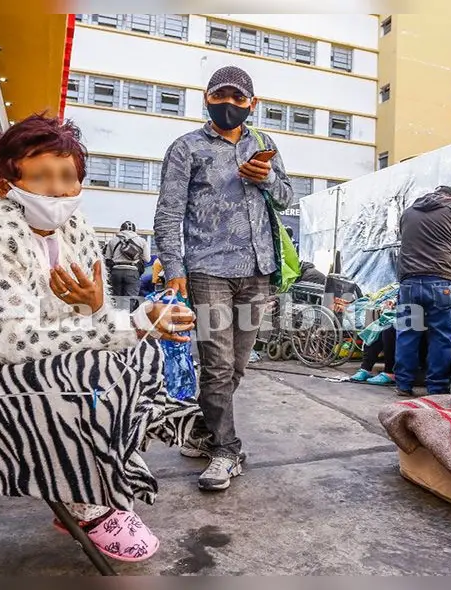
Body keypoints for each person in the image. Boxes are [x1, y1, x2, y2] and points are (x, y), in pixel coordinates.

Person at [0, 114, 200, 562]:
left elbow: (87, 318)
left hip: (15, 365)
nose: (59, 189)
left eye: (67, 176)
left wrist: (98, 307)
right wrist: (130, 321)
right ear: (6, 179)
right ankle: (88, 495)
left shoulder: (74, 228)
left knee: (139, 358)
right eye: (41, 175)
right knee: (102, 366)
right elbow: (11, 344)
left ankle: (93, 474)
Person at [154, 65, 294, 491]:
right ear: (206, 98)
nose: (229, 104)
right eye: (221, 96)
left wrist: (267, 179)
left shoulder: (265, 145)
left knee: (235, 365)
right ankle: (226, 451)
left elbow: (288, 200)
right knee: (216, 364)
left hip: (259, 271)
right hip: (208, 270)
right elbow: (168, 211)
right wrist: (174, 268)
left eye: (238, 98)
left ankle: (201, 430)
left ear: (253, 104)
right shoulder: (186, 148)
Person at [394, 186, 451, 396]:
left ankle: (403, 384)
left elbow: (405, 241)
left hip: (409, 283)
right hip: (441, 282)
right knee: (441, 335)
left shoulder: (408, 212)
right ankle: (436, 388)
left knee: (407, 332)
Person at [104, 221, 150, 309]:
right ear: (134, 230)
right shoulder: (141, 241)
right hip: (132, 271)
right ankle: (126, 319)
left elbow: (108, 258)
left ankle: (116, 319)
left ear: (121, 229)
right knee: (129, 299)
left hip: (116, 271)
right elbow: (147, 259)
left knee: (116, 298)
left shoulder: (112, 241)